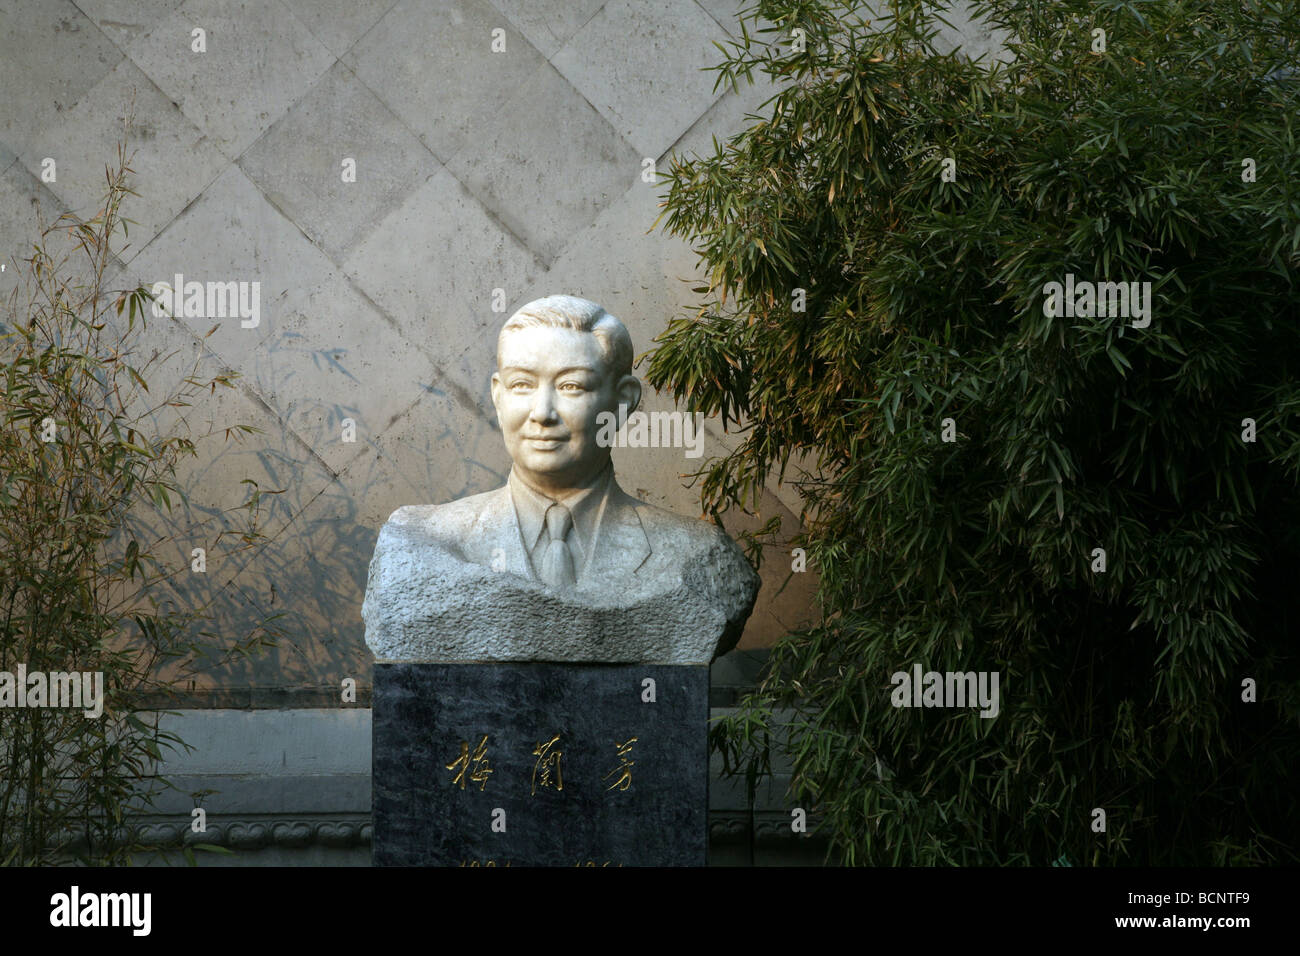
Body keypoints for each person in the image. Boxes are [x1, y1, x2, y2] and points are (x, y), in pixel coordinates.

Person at [384, 294, 733, 592]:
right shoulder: (422, 540)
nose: (542, 413)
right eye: (522, 384)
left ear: (623, 401)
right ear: (498, 395)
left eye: (571, 387)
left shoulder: (692, 552)